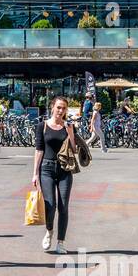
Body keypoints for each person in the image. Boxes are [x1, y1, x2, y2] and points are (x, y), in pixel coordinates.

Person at [34, 95, 78, 255]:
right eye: (58, 107)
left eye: (64, 108)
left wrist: (71, 132)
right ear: (52, 107)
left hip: (65, 169)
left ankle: (61, 242)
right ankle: (49, 231)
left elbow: (74, 150)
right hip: (46, 168)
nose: (61, 111)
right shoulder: (42, 126)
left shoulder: (69, 126)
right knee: (50, 205)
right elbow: (39, 150)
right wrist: (35, 174)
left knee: (63, 206)